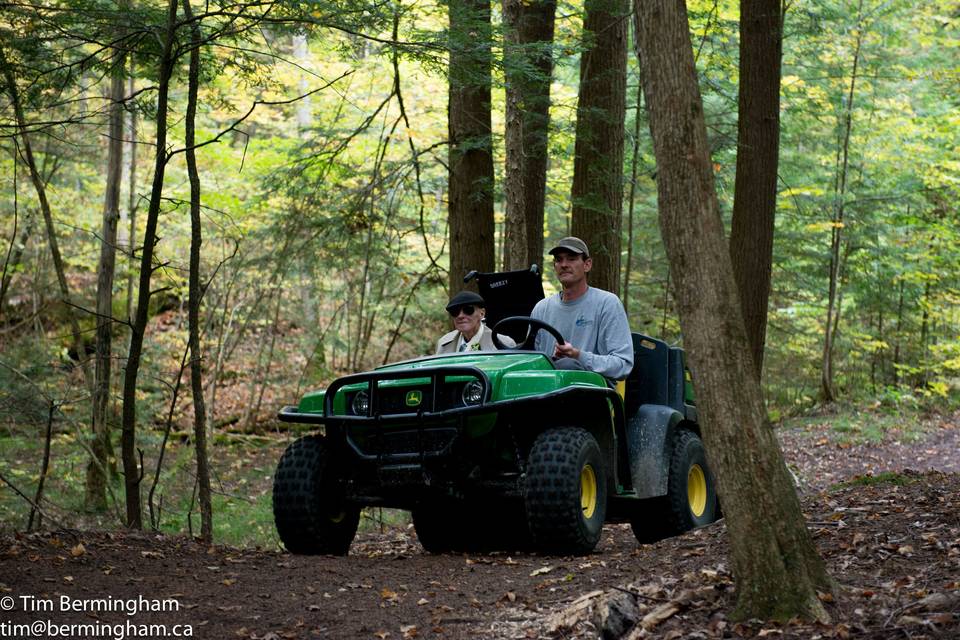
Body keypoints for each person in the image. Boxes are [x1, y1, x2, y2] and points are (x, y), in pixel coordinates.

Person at [530, 237, 633, 379]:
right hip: (546, 389)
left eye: (571, 259)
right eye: (559, 260)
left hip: (592, 391)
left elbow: (623, 365)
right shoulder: (541, 309)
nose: (564, 264)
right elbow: (530, 360)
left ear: (587, 265)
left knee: (568, 365)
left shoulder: (607, 304)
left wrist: (579, 356)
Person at [436, 291, 514, 354]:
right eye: (455, 312)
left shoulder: (504, 344)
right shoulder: (443, 343)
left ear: (482, 313)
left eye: (468, 310)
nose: (460, 316)